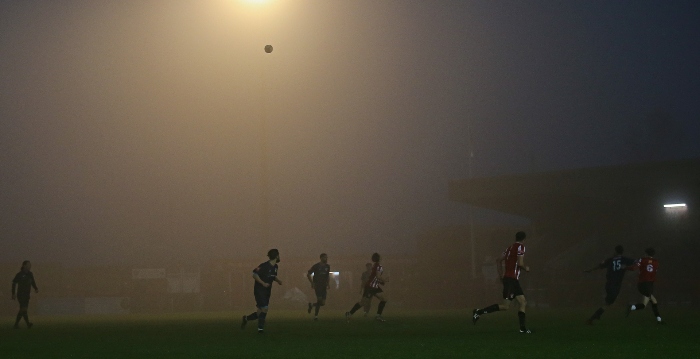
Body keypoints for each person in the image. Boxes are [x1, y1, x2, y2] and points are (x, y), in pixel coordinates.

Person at [472, 231, 532, 334]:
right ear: (524, 239)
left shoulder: (509, 248)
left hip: (511, 280)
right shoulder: (521, 247)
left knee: (523, 302)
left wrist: (501, 275)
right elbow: (520, 263)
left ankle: (522, 329)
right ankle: (478, 312)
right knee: (505, 306)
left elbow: (498, 260)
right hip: (511, 280)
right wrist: (526, 268)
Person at [584, 245, 635, 324]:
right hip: (616, 284)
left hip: (608, 284)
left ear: (615, 251)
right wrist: (628, 268)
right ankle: (594, 316)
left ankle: (596, 316)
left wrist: (590, 270)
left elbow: (599, 266)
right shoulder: (625, 259)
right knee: (608, 303)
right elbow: (637, 262)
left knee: (608, 302)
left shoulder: (610, 260)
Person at [241, 249, 283, 333]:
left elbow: (272, 276)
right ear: (276, 256)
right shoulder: (264, 266)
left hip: (267, 291)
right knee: (265, 308)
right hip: (259, 290)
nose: (279, 257)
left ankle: (246, 318)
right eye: (278, 255)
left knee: (259, 313)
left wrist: (278, 281)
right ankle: (260, 329)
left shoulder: (275, 267)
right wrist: (263, 283)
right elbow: (254, 274)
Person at [345, 253, 388, 322]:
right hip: (371, 287)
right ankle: (349, 313)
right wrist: (384, 280)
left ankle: (378, 316)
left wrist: (380, 282)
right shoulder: (378, 266)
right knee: (363, 302)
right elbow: (377, 276)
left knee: (384, 299)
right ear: (379, 258)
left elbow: (374, 277)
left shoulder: (375, 265)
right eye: (380, 256)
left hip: (374, 286)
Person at [626, 248, 663, 324]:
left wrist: (625, 267)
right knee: (653, 302)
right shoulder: (656, 262)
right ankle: (659, 320)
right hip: (648, 284)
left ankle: (631, 307)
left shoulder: (642, 260)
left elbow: (634, 268)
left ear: (646, 254)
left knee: (645, 305)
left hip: (643, 284)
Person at [12, 260, 39, 329]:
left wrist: (35, 288)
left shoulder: (30, 274)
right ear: (24, 265)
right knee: (23, 309)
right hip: (21, 294)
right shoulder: (19, 274)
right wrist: (13, 293)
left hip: (27, 294)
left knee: (23, 310)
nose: (30, 266)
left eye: (30, 264)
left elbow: (33, 282)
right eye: (28, 264)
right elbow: (14, 283)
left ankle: (16, 324)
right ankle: (27, 324)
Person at [306, 253, 331, 321]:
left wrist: (328, 284)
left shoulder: (327, 266)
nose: (326, 259)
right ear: (321, 258)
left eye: (327, 257)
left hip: (324, 286)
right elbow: (308, 274)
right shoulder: (316, 266)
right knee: (319, 300)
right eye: (325, 257)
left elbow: (327, 276)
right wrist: (312, 283)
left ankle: (311, 305)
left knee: (323, 303)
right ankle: (316, 316)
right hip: (318, 285)